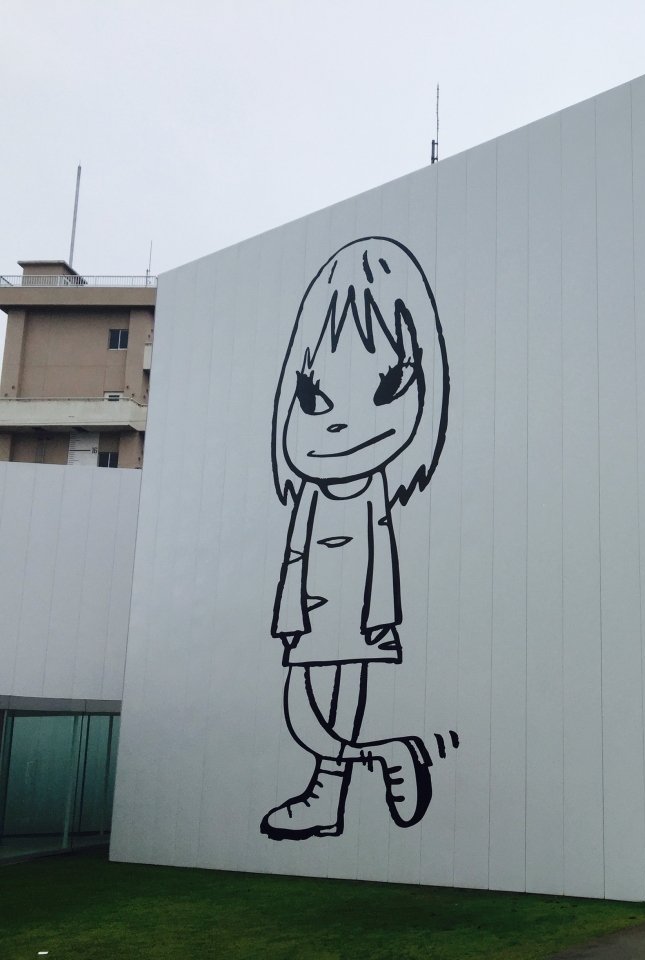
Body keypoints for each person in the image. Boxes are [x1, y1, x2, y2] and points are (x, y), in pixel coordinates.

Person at [261, 237, 449, 841]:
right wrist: (290, 614)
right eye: (314, 398)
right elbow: (295, 555)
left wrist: (379, 618)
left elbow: (380, 554)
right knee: (301, 708)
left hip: (356, 614)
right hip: (315, 613)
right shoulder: (312, 494)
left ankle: (327, 796)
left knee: (337, 701)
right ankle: (384, 755)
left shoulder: (373, 491)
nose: (342, 423)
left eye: (389, 388)